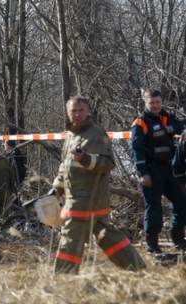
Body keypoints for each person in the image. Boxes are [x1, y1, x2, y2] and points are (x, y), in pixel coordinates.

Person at [53, 96, 145, 275]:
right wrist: (58, 186)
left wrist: (86, 159)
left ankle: (63, 278)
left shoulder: (96, 134)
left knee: (70, 238)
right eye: (74, 111)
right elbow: (65, 165)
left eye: (81, 110)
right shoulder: (71, 134)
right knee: (107, 236)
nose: (77, 114)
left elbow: (108, 164)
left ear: (88, 111)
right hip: (78, 199)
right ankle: (137, 268)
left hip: (88, 199)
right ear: (67, 112)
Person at [131, 88, 186, 254]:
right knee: (153, 208)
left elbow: (183, 125)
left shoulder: (167, 115)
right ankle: (152, 246)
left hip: (169, 169)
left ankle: (178, 240)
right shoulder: (140, 122)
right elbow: (136, 150)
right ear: (145, 103)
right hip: (151, 169)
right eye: (151, 103)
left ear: (161, 102)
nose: (155, 106)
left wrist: (171, 129)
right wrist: (142, 173)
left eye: (157, 102)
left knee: (181, 203)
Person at [4, 140, 26, 205]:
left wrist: (15, 184)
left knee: (15, 199)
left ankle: (18, 212)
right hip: (13, 182)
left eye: (5, 145)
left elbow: (16, 170)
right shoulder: (13, 153)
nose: (4, 147)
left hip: (15, 182)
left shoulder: (14, 154)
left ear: (7, 146)